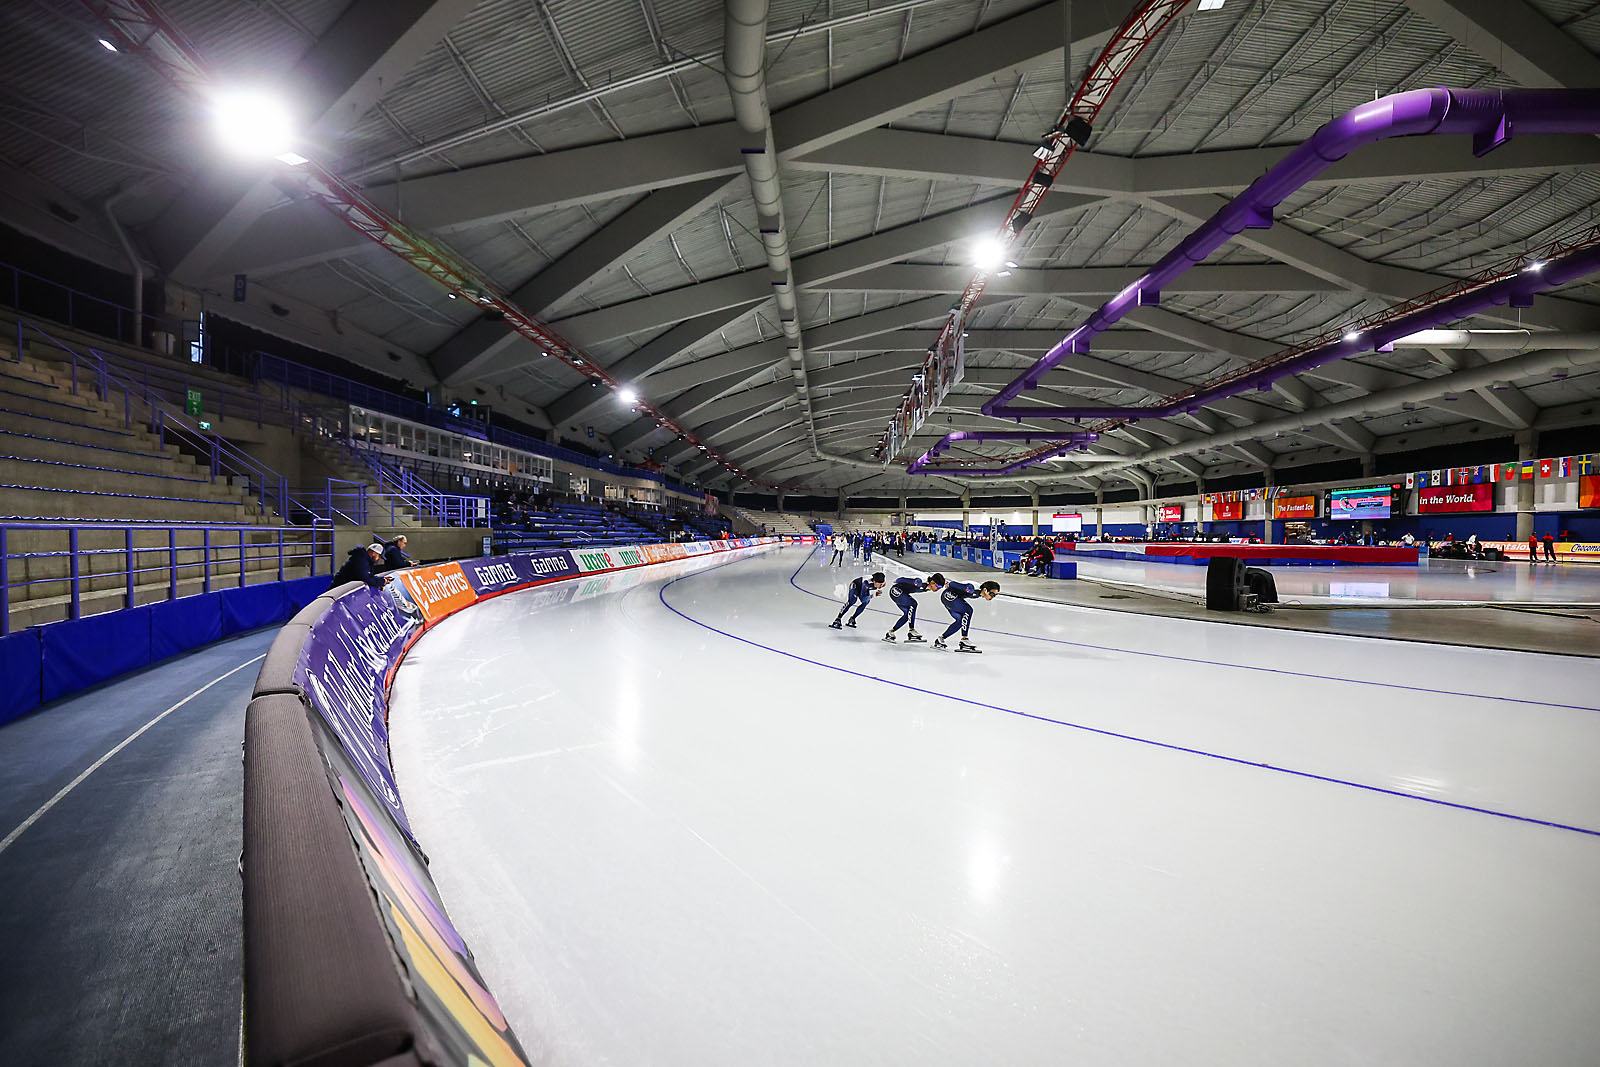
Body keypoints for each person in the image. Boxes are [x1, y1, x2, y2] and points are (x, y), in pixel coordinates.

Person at [935, 579, 1000, 653]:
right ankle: (964, 640)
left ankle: (940, 639)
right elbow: (954, 584)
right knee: (968, 610)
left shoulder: (978, 593)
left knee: (961, 621)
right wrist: (949, 584)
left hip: (951, 598)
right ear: (985, 590)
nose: (993, 597)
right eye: (992, 594)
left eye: (995, 595)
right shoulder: (971, 588)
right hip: (949, 596)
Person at [883, 572, 945, 643]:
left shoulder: (928, 587)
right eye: (938, 586)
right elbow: (901, 579)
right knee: (913, 604)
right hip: (896, 590)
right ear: (932, 582)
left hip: (903, 593)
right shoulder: (920, 582)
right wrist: (897, 581)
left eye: (940, 588)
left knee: (908, 614)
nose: (938, 589)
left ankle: (890, 633)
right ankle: (911, 630)